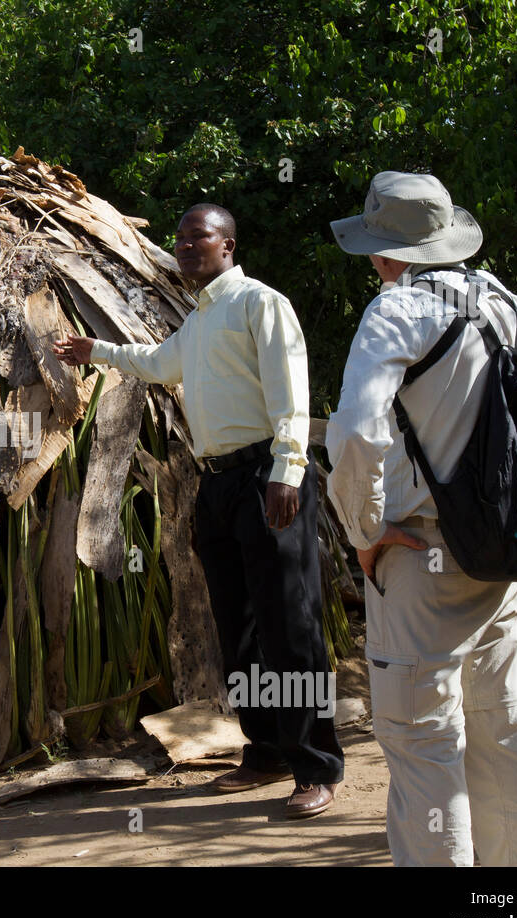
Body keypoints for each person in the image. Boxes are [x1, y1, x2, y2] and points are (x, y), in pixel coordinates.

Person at [325, 171, 517, 865]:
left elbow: (355, 435)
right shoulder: (498, 300)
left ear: (384, 251)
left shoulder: (395, 311)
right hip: (500, 555)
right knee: (505, 730)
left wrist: (365, 530)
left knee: (423, 743)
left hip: (419, 558)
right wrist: (515, 500)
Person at [53, 203, 345, 818]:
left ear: (228, 244)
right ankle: (265, 751)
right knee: (239, 628)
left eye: (199, 236)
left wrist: (288, 471)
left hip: (268, 477)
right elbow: (158, 364)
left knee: (290, 626)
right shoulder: (200, 319)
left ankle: (316, 766)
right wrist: (96, 350)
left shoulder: (260, 304)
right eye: (180, 238)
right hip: (217, 485)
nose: (186, 246)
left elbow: (292, 394)